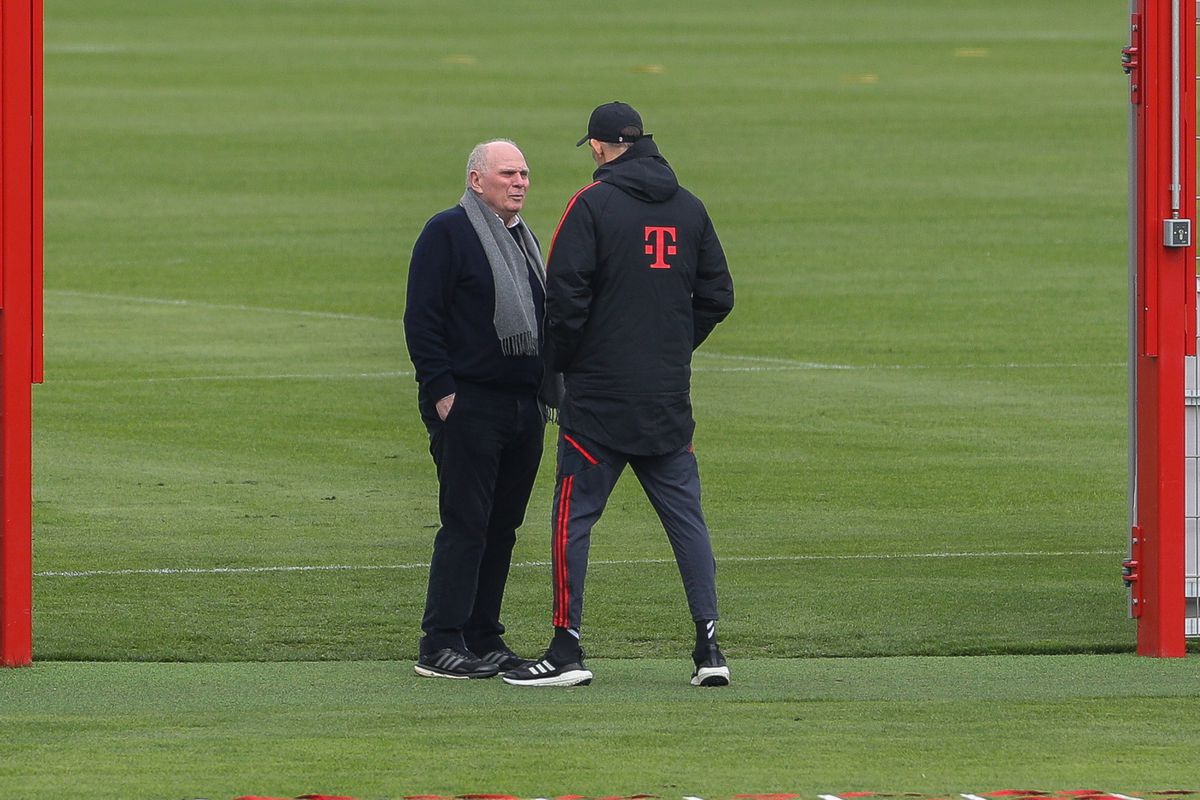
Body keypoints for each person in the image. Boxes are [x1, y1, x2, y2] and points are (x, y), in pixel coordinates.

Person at [503, 103, 735, 688]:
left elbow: (565, 297)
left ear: (602, 147)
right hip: (665, 398)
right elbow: (718, 295)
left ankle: (565, 649)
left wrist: (559, 367)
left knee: (570, 521)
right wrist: (674, 344)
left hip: (598, 402)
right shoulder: (691, 207)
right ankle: (709, 648)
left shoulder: (592, 204)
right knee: (688, 523)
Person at [404, 139, 550, 679]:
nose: (520, 182)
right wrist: (441, 390)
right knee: (466, 522)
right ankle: (440, 641)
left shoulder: (523, 240)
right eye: (508, 173)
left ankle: (484, 635)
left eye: (525, 174)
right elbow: (422, 317)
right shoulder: (447, 231)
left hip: (523, 405)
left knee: (503, 525)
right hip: (468, 402)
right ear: (475, 180)